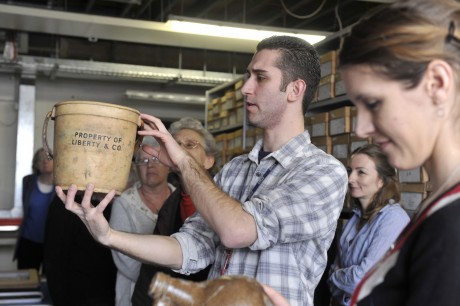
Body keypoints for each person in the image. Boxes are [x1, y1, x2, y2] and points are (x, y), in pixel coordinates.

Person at [56, 35, 349, 306]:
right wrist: (108, 236)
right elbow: (189, 248)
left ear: (295, 89)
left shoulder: (323, 172)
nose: (246, 88)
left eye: (260, 78)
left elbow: (238, 230)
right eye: (248, 76)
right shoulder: (235, 171)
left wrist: (183, 162)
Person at [336, 0, 460, 304]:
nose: (361, 128)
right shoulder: (440, 207)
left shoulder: (452, 226)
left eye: (374, 103)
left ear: (437, 83)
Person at [131, 117, 217, 306]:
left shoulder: (224, 201)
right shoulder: (170, 205)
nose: (181, 151)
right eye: (176, 144)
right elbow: (152, 271)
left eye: (190, 144)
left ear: (209, 160)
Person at [328, 144, 409, 305]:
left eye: (361, 172)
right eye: (350, 170)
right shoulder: (356, 217)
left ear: (381, 181)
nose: (350, 179)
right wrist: (340, 278)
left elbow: (363, 280)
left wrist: (337, 276)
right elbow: (334, 273)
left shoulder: (393, 219)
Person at [110, 137, 174, 306]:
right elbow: (124, 258)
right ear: (135, 168)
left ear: (168, 165)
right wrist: (167, 283)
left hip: (176, 296)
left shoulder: (179, 199)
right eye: (142, 160)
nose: (150, 165)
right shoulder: (124, 203)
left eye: (155, 159)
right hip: (134, 294)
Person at [43, 194, 117, 306]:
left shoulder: (116, 202)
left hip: (109, 293)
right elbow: (54, 260)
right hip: (78, 295)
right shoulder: (67, 202)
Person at [14, 148, 54, 272]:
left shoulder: (62, 185)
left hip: (52, 243)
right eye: (40, 160)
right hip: (28, 241)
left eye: (48, 158)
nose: (44, 162)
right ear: (35, 164)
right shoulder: (28, 181)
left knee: (50, 282)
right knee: (27, 279)